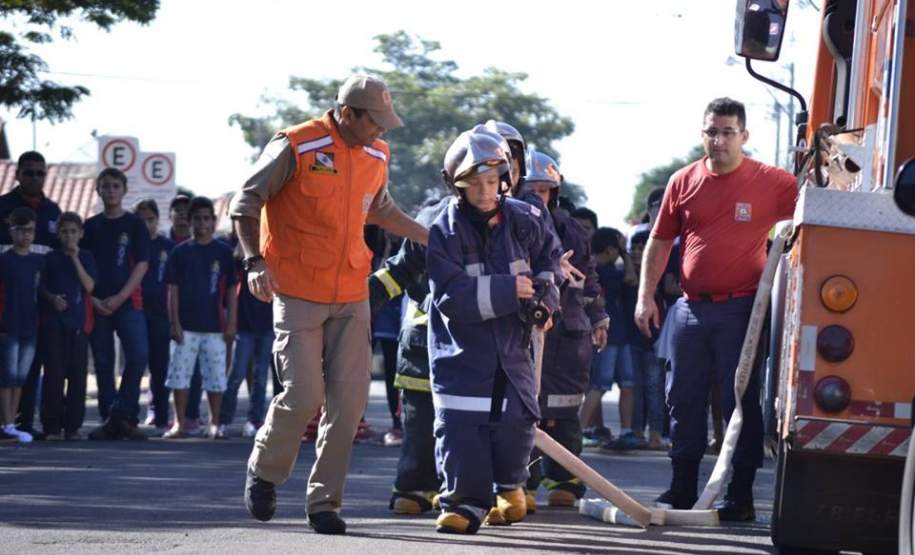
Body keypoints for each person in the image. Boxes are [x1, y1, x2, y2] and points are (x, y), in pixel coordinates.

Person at [230, 74, 428, 535]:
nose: (382, 130)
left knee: (350, 401)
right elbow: (246, 201)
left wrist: (432, 238)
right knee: (305, 396)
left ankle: (324, 503)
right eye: (374, 122)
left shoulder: (378, 153)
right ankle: (265, 469)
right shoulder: (296, 145)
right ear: (347, 112)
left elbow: (380, 208)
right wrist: (254, 262)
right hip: (296, 290)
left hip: (352, 292)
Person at [634, 97, 797, 521]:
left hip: (742, 309)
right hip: (689, 310)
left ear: (744, 136)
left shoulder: (774, 182)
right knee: (681, 397)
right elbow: (660, 241)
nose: (719, 140)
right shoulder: (683, 180)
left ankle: (739, 496)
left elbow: (806, 222)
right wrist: (645, 296)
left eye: (728, 132)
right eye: (712, 131)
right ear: (701, 134)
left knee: (736, 399)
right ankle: (681, 487)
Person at [427, 129, 561, 535]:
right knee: (461, 427)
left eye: (491, 181)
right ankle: (465, 503)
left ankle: (510, 487)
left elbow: (550, 266)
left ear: (504, 178)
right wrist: (508, 290)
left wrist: (544, 302)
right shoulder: (444, 229)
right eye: (473, 184)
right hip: (462, 354)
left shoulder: (528, 218)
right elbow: (450, 296)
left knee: (516, 423)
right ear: (456, 184)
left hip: (513, 348)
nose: (484, 192)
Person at [520, 149, 608, 508]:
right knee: (523, 411)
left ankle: (566, 480)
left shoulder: (569, 227)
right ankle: (521, 481)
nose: (537, 198)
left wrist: (599, 317)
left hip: (568, 337)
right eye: (530, 190)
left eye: (544, 190)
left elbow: (588, 279)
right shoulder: (505, 225)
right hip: (527, 331)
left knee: (564, 413)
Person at [369, 195, 451, 515]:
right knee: (419, 424)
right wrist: (361, 300)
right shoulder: (434, 219)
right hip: (421, 347)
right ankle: (415, 485)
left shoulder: (507, 223)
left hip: (475, 350)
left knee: (472, 425)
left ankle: (467, 492)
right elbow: (397, 273)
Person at [82, 167, 150, 441]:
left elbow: (143, 263)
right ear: (98, 190)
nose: (110, 190)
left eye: (115, 186)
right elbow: (81, 265)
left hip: (127, 301)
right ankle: (109, 419)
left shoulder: (135, 224)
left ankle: (125, 416)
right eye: (105, 186)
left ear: (123, 190)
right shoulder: (90, 226)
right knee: (102, 361)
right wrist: (93, 299)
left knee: (137, 356)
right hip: (96, 302)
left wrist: (120, 296)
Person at [162, 196, 236, 439]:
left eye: (206, 218)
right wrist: (174, 323)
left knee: (215, 377)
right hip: (186, 327)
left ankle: (215, 423)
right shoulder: (179, 252)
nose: (202, 223)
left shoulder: (223, 252)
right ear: (189, 221)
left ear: (214, 221)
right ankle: (179, 423)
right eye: (197, 219)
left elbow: (230, 291)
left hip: (215, 326)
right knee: (179, 376)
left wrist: (232, 323)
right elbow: (172, 290)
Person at [0, 151, 62, 440]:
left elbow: (57, 254)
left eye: (40, 172)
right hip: (7, 298)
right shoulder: (3, 207)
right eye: (29, 172)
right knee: (5, 367)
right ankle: (5, 423)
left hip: (40, 297)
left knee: (29, 366)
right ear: (17, 174)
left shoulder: (52, 210)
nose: (35, 177)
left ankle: (23, 422)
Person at [39, 212, 97, 440]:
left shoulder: (87, 257)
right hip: (54, 324)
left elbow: (90, 286)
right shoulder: (50, 258)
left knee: (77, 377)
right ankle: (51, 426)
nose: (69, 236)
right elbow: (40, 287)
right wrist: (52, 298)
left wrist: (75, 258)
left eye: (73, 231)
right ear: (58, 233)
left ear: (81, 234)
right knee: (53, 376)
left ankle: (72, 427)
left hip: (79, 325)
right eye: (64, 232)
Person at [580, 227, 638, 448]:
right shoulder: (603, 270)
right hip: (609, 336)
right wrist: (624, 254)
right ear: (611, 248)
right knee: (601, 383)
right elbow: (631, 278)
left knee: (626, 382)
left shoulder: (595, 268)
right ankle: (579, 430)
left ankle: (626, 431)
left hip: (618, 334)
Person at [0, 207, 45, 443]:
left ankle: (12, 423)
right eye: (20, 230)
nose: (25, 235)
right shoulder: (4, 260)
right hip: (7, 326)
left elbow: (43, 291)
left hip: (30, 326)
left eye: (29, 230)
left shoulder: (39, 261)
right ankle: (6, 423)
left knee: (20, 378)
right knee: (6, 378)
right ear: (11, 231)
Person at [219, 242, 273, 439]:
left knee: (260, 378)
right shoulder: (239, 254)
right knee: (237, 374)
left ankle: (255, 420)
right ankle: (223, 420)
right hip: (244, 324)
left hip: (267, 325)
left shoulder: (272, 249)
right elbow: (231, 285)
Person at [624, 228, 668, 450]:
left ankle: (656, 435)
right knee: (637, 390)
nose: (637, 253)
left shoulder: (656, 278)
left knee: (654, 390)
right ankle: (637, 432)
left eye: (643, 249)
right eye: (634, 249)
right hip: (632, 343)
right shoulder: (627, 277)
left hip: (653, 342)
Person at [135, 199, 175, 432]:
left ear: (157, 220)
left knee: (160, 366)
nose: (146, 224)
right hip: (136, 311)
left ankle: (160, 413)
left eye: (150, 219)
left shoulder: (167, 246)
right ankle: (130, 413)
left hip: (161, 313)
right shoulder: (132, 245)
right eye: (142, 220)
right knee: (138, 362)